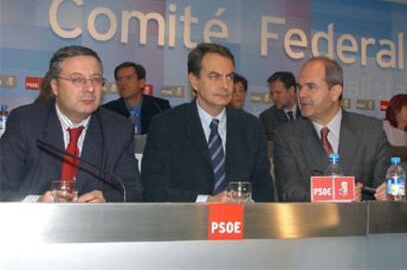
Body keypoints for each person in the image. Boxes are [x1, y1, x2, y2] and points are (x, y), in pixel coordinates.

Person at [0, 45, 143, 202]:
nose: (89, 88)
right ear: (55, 86)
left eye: (96, 80)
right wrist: (36, 204)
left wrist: (106, 201)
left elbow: (132, 191)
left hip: (95, 225)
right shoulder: (25, 122)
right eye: (77, 80)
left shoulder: (118, 129)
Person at [141, 43, 274, 202]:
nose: (225, 86)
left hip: (241, 223)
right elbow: (153, 189)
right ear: (194, 81)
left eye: (229, 77)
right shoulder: (166, 125)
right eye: (214, 77)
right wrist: (206, 202)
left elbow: (264, 189)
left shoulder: (252, 127)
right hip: (185, 223)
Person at [273, 56, 389, 202]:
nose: (301, 94)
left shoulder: (372, 132)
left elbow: (384, 189)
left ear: (335, 92)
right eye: (300, 87)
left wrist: (387, 194)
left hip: (361, 223)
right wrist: (336, 195)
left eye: (311, 87)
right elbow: (289, 194)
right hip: (311, 223)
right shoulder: (286, 136)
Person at [103, 62, 171, 135]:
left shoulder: (159, 107)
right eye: (119, 79)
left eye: (128, 78)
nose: (123, 83)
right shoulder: (108, 110)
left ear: (141, 83)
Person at [260, 71, 301, 140]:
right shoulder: (267, 118)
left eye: (278, 93)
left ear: (291, 90)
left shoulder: (308, 113)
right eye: (272, 93)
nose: (274, 97)